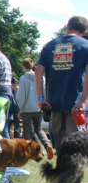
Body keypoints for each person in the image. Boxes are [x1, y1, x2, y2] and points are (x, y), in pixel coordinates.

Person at [35, 15, 88, 152]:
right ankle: (72, 173)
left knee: (60, 148)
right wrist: (83, 100)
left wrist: (40, 98)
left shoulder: (49, 45)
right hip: (76, 106)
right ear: (85, 31)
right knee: (76, 149)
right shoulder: (85, 46)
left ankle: (60, 172)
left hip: (54, 104)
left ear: (68, 26)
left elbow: (38, 71)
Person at [16, 58, 54, 159]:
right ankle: (47, 145)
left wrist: (19, 108)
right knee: (39, 129)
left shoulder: (23, 78)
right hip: (39, 108)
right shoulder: (41, 77)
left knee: (27, 130)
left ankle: (28, 151)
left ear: (24, 66)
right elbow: (44, 91)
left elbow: (22, 95)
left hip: (27, 109)